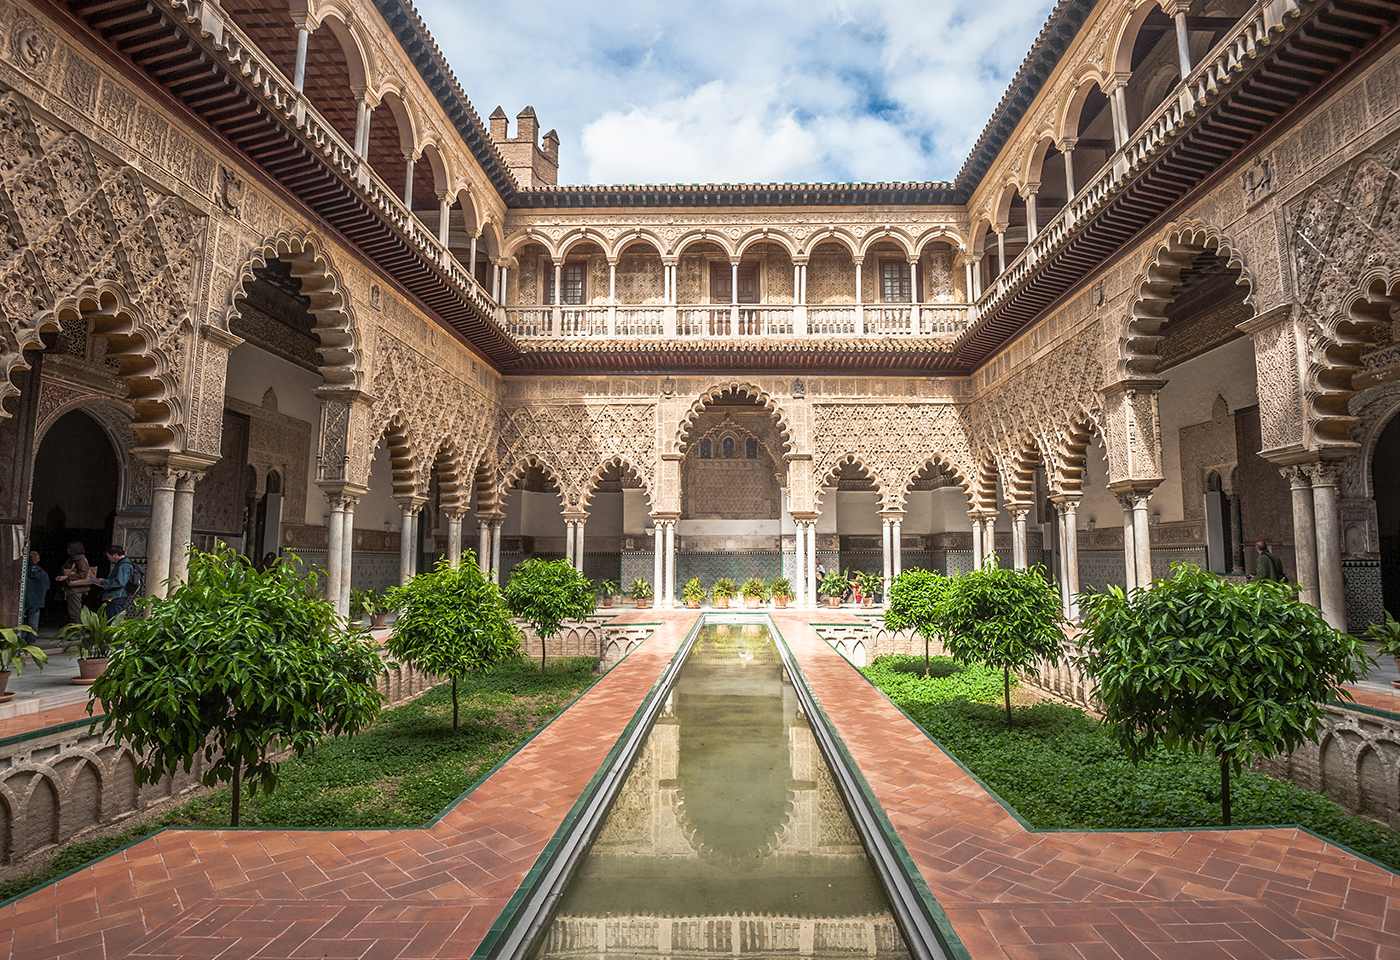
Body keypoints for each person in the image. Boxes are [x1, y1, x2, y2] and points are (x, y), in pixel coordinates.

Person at [88, 545, 135, 617]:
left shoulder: (124, 565)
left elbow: (119, 582)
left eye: (109, 557)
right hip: (116, 596)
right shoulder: (121, 564)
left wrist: (103, 582)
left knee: (112, 621)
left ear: (116, 554)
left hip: (116, 596)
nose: (109, 559)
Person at [56, 542, 91, 623]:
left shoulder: (80, 559)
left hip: (76, 589)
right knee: (72, 610)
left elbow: (83, 573)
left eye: (70, 548)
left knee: (75, 611)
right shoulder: (73, 558)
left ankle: (76, 632)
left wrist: (67, 577)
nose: (68, 550)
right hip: (72, 589)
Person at [24, 550, 48, 632]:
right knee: (33, 621)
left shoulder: (22, 572)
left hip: (24, 599)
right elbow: (47, 586)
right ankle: (31, 640)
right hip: (37, 600)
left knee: (17, 619)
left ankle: (15, 638)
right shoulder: (43, 573)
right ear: (38, 560)